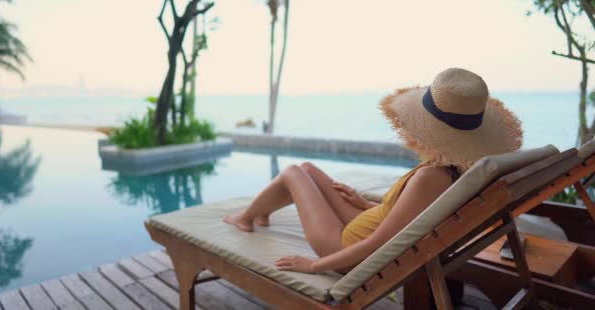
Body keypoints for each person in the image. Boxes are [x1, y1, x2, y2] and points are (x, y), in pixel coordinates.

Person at [224, 67, 523, 274]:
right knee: (308, 169)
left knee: (291, 172)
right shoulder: (451, 169)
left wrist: (313, 266)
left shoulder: (428, 178)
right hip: (366, 221)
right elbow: (409, 221)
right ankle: (261, 212)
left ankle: (245, 217)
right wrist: (362, 202)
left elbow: (379, 244)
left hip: (343, 246)